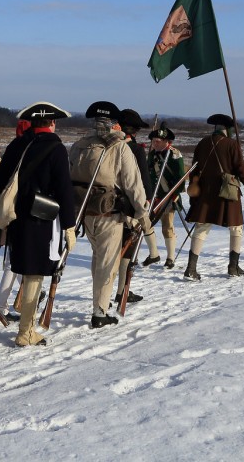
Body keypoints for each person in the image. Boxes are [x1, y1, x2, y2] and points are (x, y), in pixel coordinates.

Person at [0, 102, 76, 346]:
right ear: (51, 122)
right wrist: (69, 226)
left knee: (24, 269)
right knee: (35, 273)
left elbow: (0, 183)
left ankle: (25, 326)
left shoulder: (17, 145)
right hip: (42, 220)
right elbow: (64, 190)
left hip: (17, 219)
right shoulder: (56, 148)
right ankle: (26, 331)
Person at [67, 101, 151, 328]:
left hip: (85, 213)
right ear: (114, 123)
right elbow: (133, 185)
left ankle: (100, 303)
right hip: (110, 214)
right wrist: (143, 215)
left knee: (98, 259)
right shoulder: (119, 147)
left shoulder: (79, 145)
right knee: (107, 264)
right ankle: (100, 312)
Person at [182, 114, 244, 280]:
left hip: (205, 193)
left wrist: (194, 193)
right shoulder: (231, 144)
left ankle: (190, 268)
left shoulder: (202, 143)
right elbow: (241, 169)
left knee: (201, 227)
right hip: (227, 192)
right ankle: (233, 267)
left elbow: (194, 171)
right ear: (228, 129)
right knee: (236, 227)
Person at [0, 119, 32, 323]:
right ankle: (1, 307)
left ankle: (8, 304)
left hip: (8, 211)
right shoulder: (31, 147)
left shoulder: (13, 147)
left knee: (14, 261)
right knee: (13, 262)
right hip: (25, 213)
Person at [114, 108, 152, 304]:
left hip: (107, 206)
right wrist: (146, 204)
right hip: (129, 207)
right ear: (135, 131)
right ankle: (121, 292)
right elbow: (143, 184)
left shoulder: (109, 145)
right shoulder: (135, 150)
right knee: (127, 250)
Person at [144, 125, 188, 269]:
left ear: (166, 142)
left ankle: (170, 258)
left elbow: (181, 178)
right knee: (146, 225)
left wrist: (174, 194)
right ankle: (153, 254)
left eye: (157, 141)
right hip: (152, 196)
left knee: (167, 227)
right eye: (153, 141)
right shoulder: (151, 155)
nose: (154, 144)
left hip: (168, 195)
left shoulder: (174, 155)